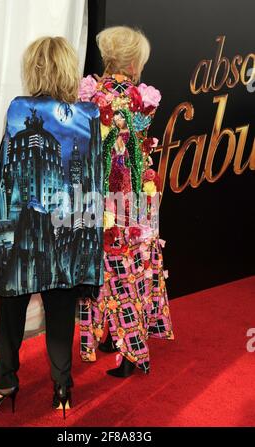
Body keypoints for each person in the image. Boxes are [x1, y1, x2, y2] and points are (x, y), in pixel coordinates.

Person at [0, 36, 103, 419]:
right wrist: (87, 238)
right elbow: (93, 183)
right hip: (67, 230)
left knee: (11, 311)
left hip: (21, 229)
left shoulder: (19, 108)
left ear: (36, 69)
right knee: (60, 311)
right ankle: (62, 387)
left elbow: (5, 172)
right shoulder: (90, 115)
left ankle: (4, 382)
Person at [78, 26, 174, 378]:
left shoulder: (91, 94)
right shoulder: (140, 97)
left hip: (96, 195)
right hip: (132, 198)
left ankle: (108, 337)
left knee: (100, 266)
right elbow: (137, 147)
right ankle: (130, 346)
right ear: (134, 62)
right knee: (129, 269)